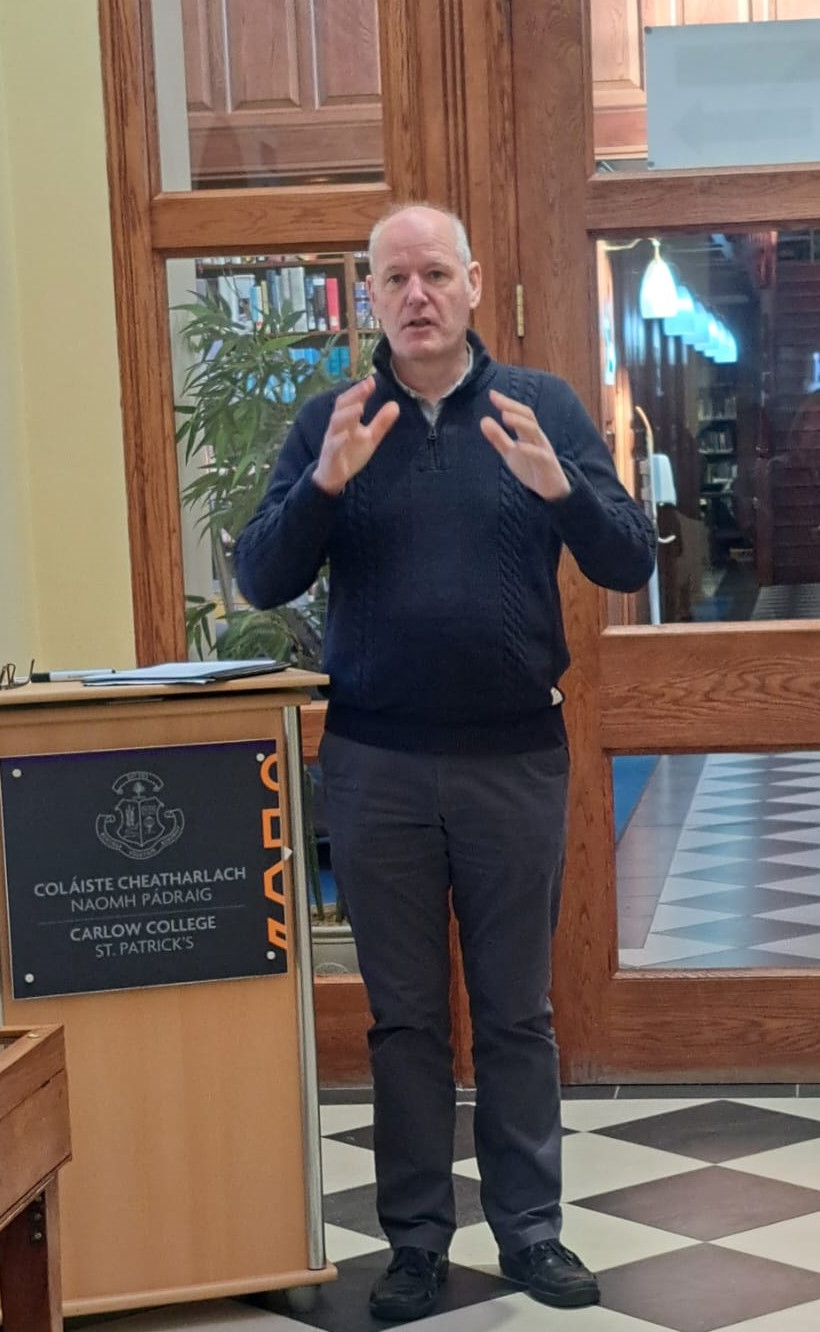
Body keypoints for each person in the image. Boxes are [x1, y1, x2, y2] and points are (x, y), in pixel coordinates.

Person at [235, 203, 655, 1320]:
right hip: (376, 765)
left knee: (515, 1013)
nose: (415, 295)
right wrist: (323, 485)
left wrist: (562, 488)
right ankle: (416, 1244)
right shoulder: (334, 419)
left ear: (472, 283)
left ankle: (531, 1234)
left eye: (434, 274)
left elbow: (627, 561)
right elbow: (261, 578)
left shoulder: (540, 407)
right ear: (370, 295)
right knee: (406, 1020)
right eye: (394, 278)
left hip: (513, 761)